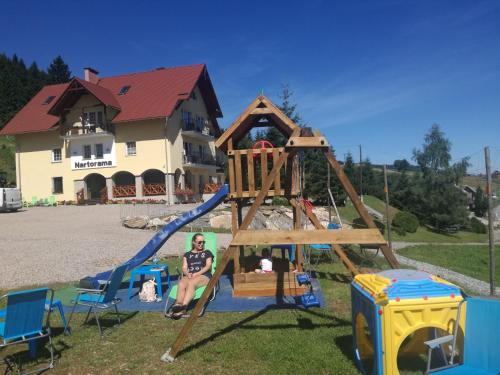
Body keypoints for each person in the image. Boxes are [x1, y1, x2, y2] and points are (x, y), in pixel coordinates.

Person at [171, 233, 213, 319]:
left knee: (191, 282)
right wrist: (187, 273)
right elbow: (184, 267)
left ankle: (184, 307)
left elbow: (208, 266)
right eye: (199, 242)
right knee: (182, 282)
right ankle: (178, 305)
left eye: (203, 242)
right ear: (194, 242)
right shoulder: (187, 255)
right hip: (190, 275)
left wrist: (197, 274)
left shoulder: (207, 253)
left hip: (204, 275)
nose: (202, 244)